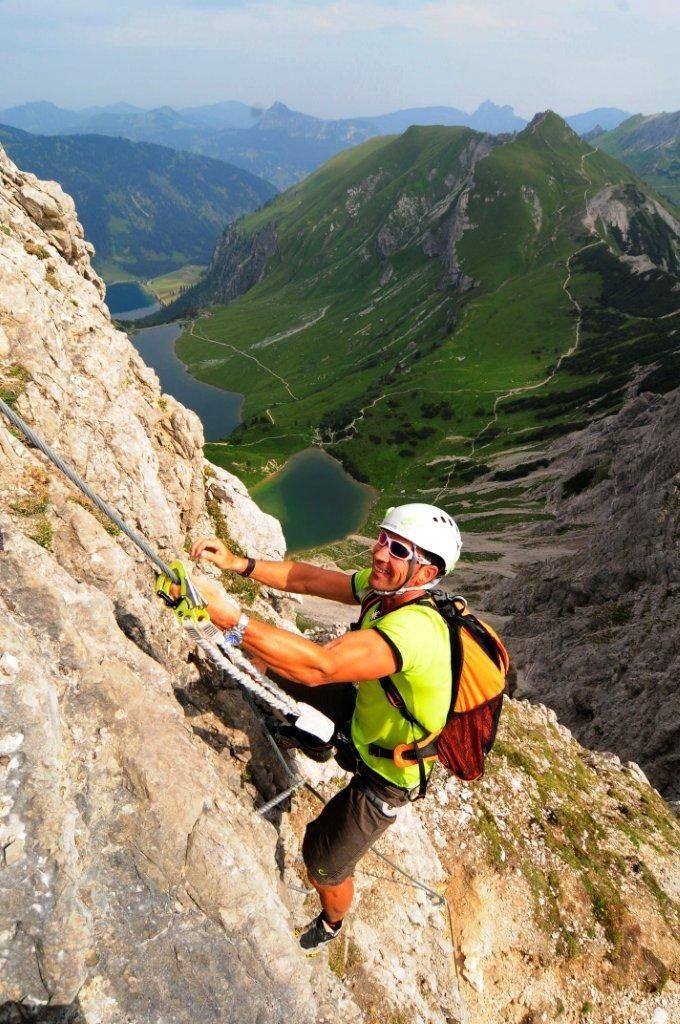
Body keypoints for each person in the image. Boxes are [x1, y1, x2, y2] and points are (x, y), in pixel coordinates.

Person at [189, 503, 462, 951]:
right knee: (267, 662)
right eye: (381, 538)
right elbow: (309, 580)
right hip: (362, 720)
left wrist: (230, 620)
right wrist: (239, 563)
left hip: (389, 775)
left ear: (424, 571)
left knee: (322, 863)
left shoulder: (417, 629)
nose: (379, 553)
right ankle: (325, 743)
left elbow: (322, 667)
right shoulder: (385, 592)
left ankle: (332, 925)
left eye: (397, 549)